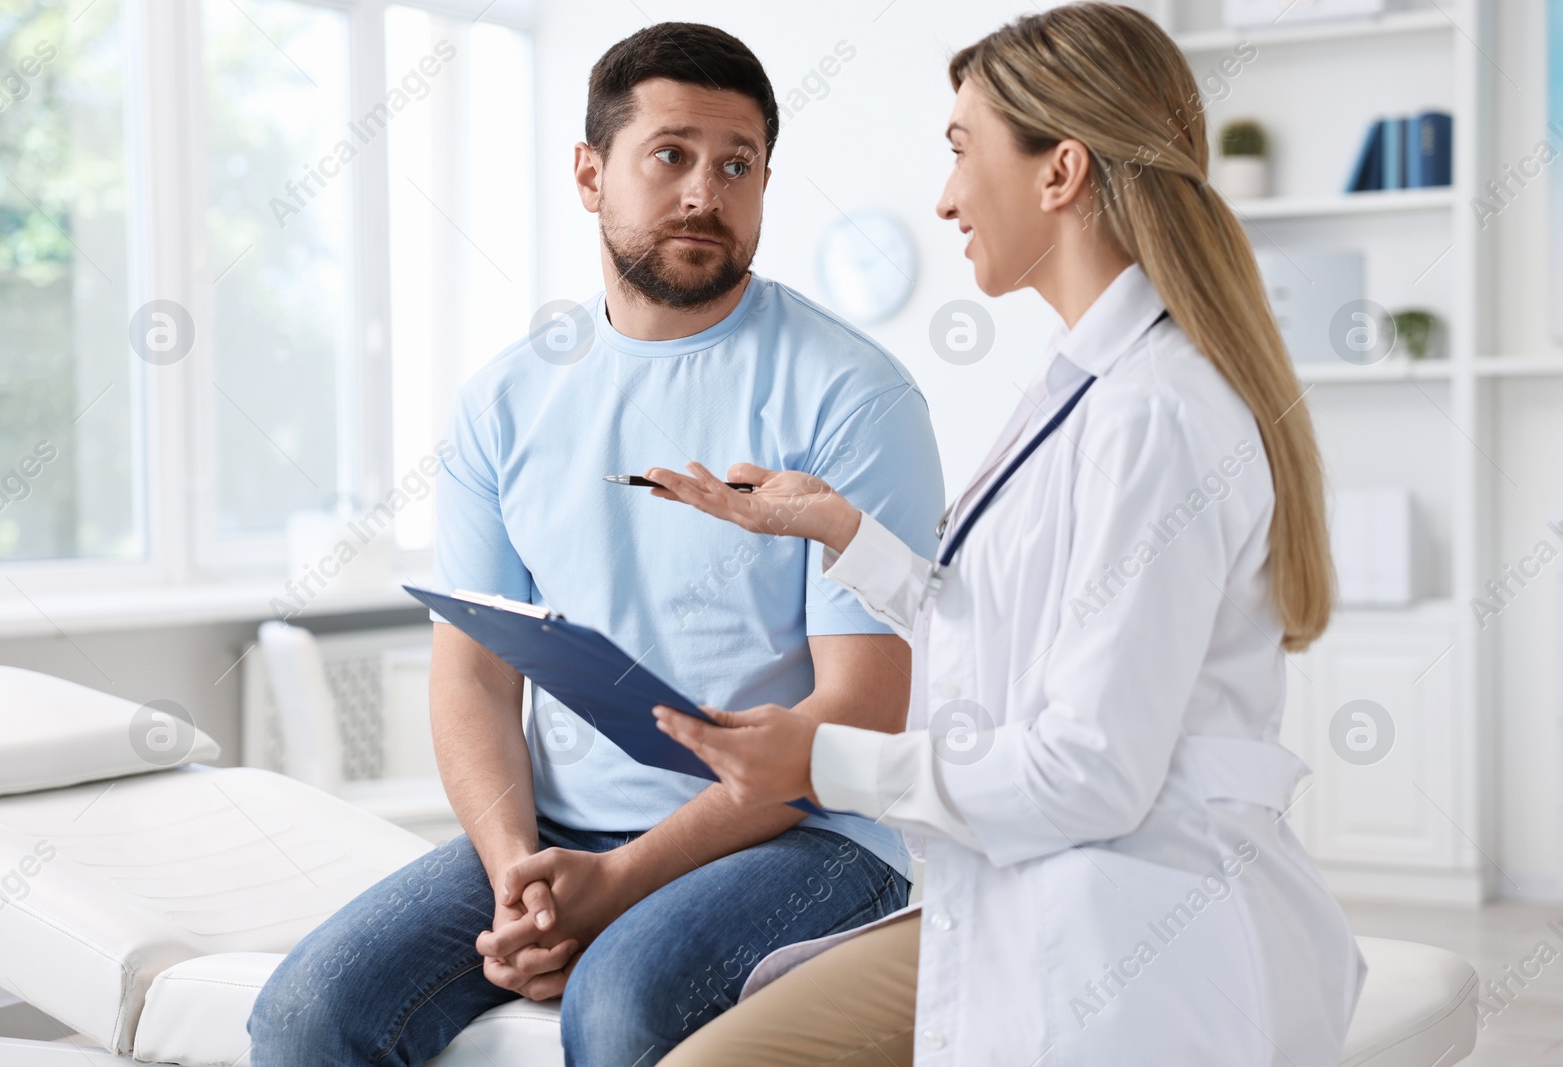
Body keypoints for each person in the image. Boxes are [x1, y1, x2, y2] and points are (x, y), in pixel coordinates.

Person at [645, 5, 1366, 1065]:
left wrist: (827, 758)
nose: (942, 198)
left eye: (958, 151)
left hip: (1131, 925)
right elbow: (1015, 623)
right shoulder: (1086, 383)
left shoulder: (1151, 411)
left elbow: (1089, 773)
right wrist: (844, 532)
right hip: (1044, 886)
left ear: (1059, 171)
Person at [248, 21, 944, 1067]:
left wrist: (619, 887)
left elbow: (861, 706)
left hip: (811, 834)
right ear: (590, 173)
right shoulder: (507, 401)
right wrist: (521, 872)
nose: (706, 192)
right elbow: (473, 676)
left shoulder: (853, 395)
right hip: (566, 827)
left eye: (737, 164)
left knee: (618, 1007)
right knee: (306, 1013)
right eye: (671, 154)